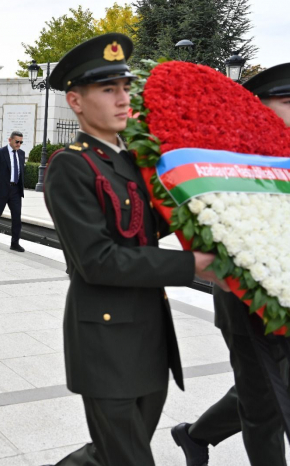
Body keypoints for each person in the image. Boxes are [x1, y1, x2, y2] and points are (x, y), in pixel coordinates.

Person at [40, 33, 226, 466]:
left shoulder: (129, 160)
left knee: (115, 452)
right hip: (105, 342)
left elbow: (148, 225)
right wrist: (191, 264)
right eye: (109, 89)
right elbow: (97, 260)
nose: (124, 98)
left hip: (147, 335)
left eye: (125, 87)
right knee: (129, 458)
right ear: (76, 101)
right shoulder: (71, 165)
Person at [172, 62, 290, 466]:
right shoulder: (226, 157)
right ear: (257, 106)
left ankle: (195, 435)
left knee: (267, 392)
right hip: (246, 302)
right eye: (288, 101)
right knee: (263, 406)